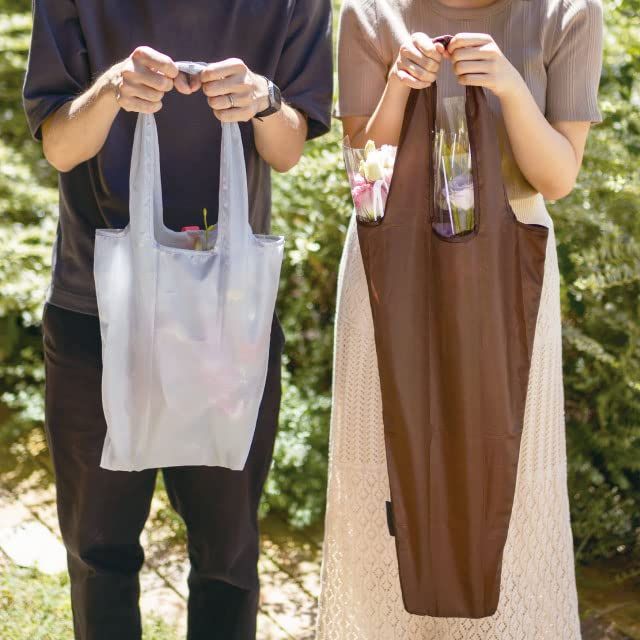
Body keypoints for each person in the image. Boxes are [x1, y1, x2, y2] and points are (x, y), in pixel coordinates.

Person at [23, 2, 332, 639]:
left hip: (226, 318)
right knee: (99, 553)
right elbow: (60, 145)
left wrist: (264, 100)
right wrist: (111, 89)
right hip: (95, 313)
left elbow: (287, 150)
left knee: (227, 559)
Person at [318, 0, 602, 638]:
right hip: (392, 276)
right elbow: (366, 188)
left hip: (507, 279)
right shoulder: (371, 13)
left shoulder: (566, 13)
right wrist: (398, 85)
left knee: (504, 478)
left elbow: (556, 178)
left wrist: (509, 86)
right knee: (387, 474)